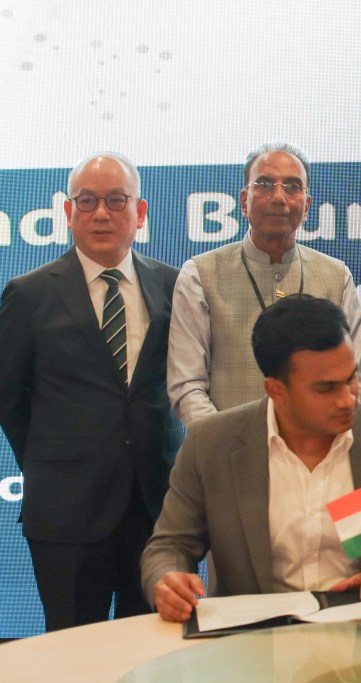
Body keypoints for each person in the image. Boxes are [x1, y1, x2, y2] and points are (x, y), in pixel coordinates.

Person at [142, 295, 361, 623]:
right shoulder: (212, 444)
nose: (347, 400)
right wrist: (167, 581)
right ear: (276, 390)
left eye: (350, 379)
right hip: (255, 637)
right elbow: (169, 545)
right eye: (326, 389)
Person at [0, 152, 182, 631]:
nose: (101, 212)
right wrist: (54, 459)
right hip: (66, 513)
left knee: (152, 649)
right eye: (87, 201)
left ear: (140, 213)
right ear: (68, 212)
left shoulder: (174, 285)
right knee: (72, 652)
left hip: (156, 509)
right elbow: (8, 398)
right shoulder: (29, 294)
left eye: (116, 200)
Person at [167, 142, 361, 428]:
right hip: (229, 449)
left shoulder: (337, 276)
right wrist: (223, 444)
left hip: (319, 447)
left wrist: (322, 440)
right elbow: (187, 385)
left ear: (306, 205)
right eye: (264, 184)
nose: (278, 197)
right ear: (244, 201)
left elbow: (356, 380)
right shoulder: (200, 274)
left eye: (292, 187)